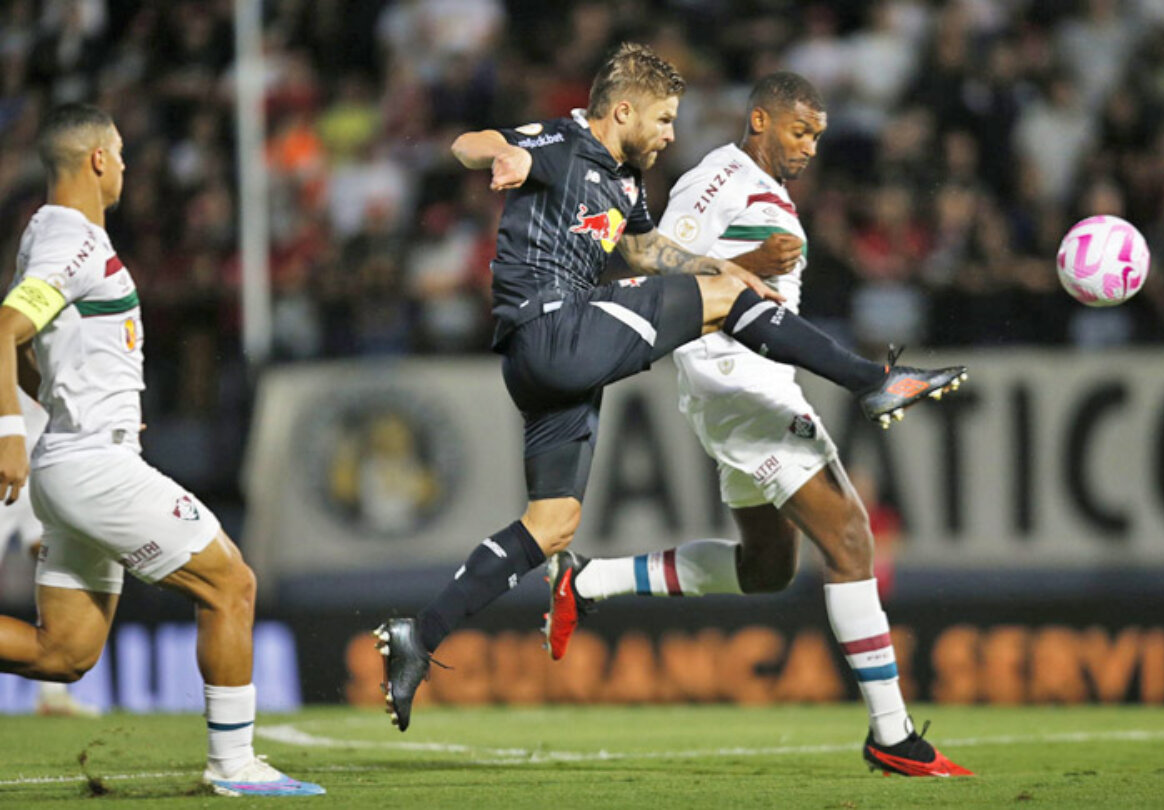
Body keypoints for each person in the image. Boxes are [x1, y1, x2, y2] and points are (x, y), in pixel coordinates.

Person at [374, 44, 966, 734]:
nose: (670, 135)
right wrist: (502, 158)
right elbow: (467, 142)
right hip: (553, 325)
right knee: (717, 299)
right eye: (662, 119)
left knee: (552, 525)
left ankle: (420, 636)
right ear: (622, 109)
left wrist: (724, 269)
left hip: (546, 364)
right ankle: (874, 381)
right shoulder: (561, 141)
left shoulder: (625, 185)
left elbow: (648, 254)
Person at [542, 72, 970, 778]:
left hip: (745, 382)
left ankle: (586, 582)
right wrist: (746, 264)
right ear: (761, 120)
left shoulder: (772, 195)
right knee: (852, 538)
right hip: (737, 380)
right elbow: (653, 276)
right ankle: (891, 734)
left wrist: (748, 266)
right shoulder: (720, 175)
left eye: (818, 136)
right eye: (799, 132)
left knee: (767, 568)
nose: (808, 147)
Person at [0, 104, 323, 797]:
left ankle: (234, 764)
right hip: (91, 464)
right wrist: (10, 435)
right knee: (231, 583)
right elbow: (3, 330)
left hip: (78, 457)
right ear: (95, 160)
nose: (124, 165)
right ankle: (234, 765)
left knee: (63, 653)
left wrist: (71, 400)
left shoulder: (44, 235)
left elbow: (40, 348)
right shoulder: (75, 243)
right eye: (118, 153)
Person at [0, 390, 99, 717]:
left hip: (40, 469)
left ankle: (52, 695)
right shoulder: (10, 339)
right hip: (5, 464)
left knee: (59, 561)